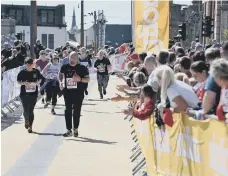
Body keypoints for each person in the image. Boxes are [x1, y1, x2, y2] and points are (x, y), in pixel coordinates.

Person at [59, 51, 90, 137]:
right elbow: (61, 75)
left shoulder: (82, 68)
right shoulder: (64, 67)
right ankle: (68, 130)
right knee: (67, 110)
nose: (72, 60)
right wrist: (61, 82)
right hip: (67, 92)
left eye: (74, 58)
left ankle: (75, 128)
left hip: (78, 92)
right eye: (71, 58)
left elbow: (87, 79)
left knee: (76, 111)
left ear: (77, 59)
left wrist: (79, 79)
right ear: (68, 58)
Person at [17, 58, 43, 133]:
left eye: (30, 65)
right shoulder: (22, 72)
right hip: (24, 94)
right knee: (26, 110)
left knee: (31, 110)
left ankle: (30, 126)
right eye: (27, 65)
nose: (28, 66)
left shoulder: (36, 71)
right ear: (25, 64)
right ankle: (26, 120)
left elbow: (40, 78)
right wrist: (24, 83)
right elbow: (18, 81)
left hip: (33, 93)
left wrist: (38, 82)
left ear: (33, 64)